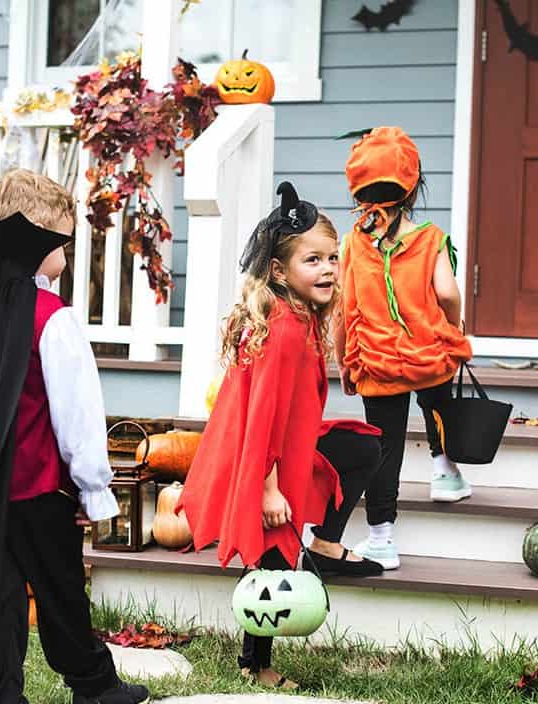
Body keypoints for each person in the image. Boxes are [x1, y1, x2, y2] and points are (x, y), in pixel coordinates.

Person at [0, 170, 149, 704]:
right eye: (62, 245)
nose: (67, 258)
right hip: (42, 490)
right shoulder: (54, 318)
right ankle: (93, 685)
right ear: (34, 242)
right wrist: (94, 491)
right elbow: (77, 415)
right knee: (61, 593)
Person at [178, 182, 384, 692]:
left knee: (361, 447)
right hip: (263, 458)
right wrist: (269, 488)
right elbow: (265, 415)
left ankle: (325, 546)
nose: (328, 269)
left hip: (287, 446)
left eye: (332, 258)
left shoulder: (295, 317)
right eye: (312, 260)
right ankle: (257, 665)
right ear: (278, 271)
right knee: (272, 560)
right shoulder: (285, 329)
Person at [337, 126, 473, 571]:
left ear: (357, 189)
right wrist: (454, 327)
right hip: (429, 355)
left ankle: (382, 537)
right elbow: (448, 293)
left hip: (376, 363)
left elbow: (342, 308)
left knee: (385, 446)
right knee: (439, 407)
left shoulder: (353, 243)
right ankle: (445, 472)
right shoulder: (431, 238)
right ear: (413, 187)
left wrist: (344, 361)